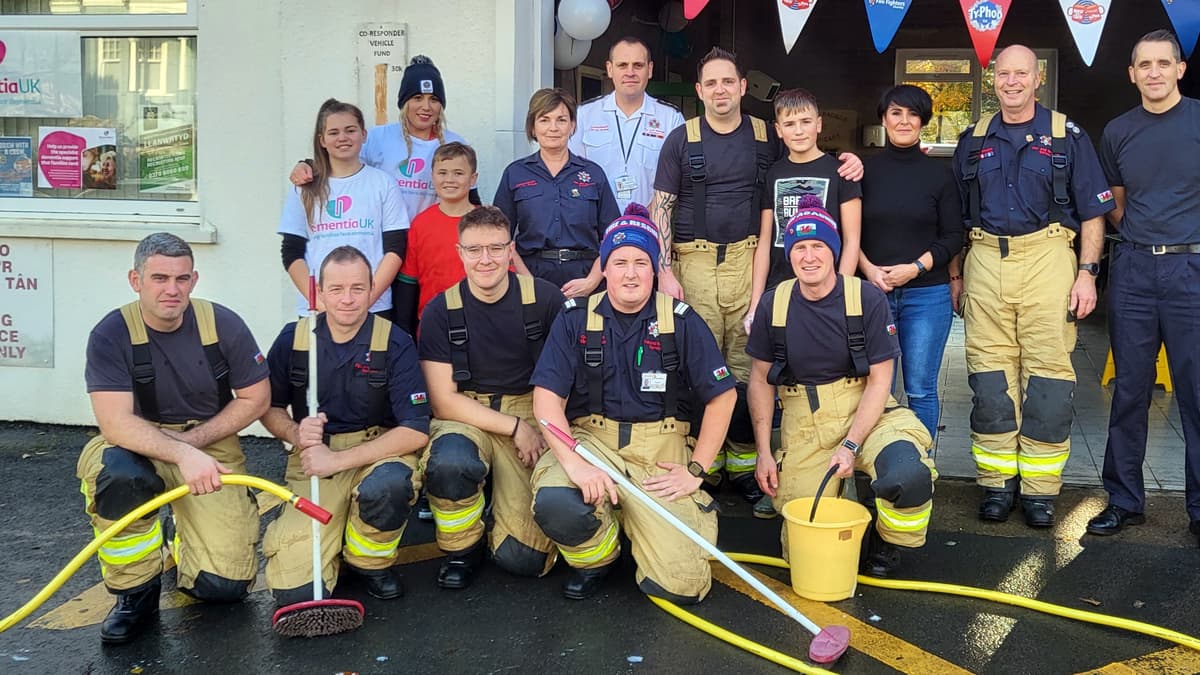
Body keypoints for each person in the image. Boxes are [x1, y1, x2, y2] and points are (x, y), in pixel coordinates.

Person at [650, 47, 862, 504]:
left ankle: (746, 463)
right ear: (699, 90)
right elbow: (662, 205)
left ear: (743, 87)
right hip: (694, 264)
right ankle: (704, 465)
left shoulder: (768, 134)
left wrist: (851, 161)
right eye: (711, 83)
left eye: (728, 81)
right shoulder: (681, 139)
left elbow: (810, 159)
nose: (720, 90)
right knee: (698, 365)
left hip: (750, 262)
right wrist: (663, 270)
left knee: (750, 369)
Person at [530, 206, 736, 603]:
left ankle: (657, 526)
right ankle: (598, 556)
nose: (630, 273)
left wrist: (696, 470)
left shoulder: (681, 320)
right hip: (592, 441)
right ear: (604, 269)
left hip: (659, 452)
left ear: (654, 270)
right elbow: (546, 399)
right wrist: (575, 463)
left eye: (641, 262)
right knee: (557, 501)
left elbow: (723, 395)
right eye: (619, 262)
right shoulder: (574, 318)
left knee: (683, 586)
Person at [78, 232, 270, 644]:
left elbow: (256, 398)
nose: (172, 289)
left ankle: (179, 537)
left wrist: (193, 444)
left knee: (224, 588)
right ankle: (136, 594)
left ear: (194, 280)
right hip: (137, 443)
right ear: (135, 280)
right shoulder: (111, 334)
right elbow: (115, 423)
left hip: (207, 441)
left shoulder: (222, 324)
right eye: (160, 278)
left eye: (182, 279)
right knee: (121, 478)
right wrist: (180, 453)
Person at [951, 45, 1113, 528]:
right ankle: (996, 485)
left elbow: (1094, 213)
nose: (1012, 82)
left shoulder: (1067, 136)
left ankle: (1040, 491)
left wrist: (1087, 272)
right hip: (984, 260)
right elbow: (955, 216)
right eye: (1004, 74)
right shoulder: (973, 139)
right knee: (989, 378)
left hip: (1049, 258)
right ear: (993, 79)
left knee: (1047, 381)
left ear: (1037, 78)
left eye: (1021, 73)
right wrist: (956, 274)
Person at [746, 205, 936, 578]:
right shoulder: (774, 303)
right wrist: (764, 452)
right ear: (790, 255)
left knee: (908, 476)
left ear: (833, 251)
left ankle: (885, 541)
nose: (809, 257)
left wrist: (850, 445)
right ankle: (854, 515)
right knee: (806, 552)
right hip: (806, 421)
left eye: (818, 246)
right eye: (800, 248)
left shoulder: (865, 298)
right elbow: (759, 381)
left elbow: (880, 380)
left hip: (868, 410)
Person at [260, 246, 430, 604]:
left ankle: (368, 562)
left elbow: (415, 430)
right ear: (319, 292)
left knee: (389, 486)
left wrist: (337, 461)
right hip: (315, 457)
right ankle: (328, 541)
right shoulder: (295, 339)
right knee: (295, 593)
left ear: (373, 291)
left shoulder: (395, 341)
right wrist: (295, 433)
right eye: (336, 289)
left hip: (377, 452)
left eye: (358, 288)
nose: (348, 299)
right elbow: (268, 408)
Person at [1088, 30, 1200, 545]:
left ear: (1180, 69)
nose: (1154, 72)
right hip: (1134, 268)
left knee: (1195, 393)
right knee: (1130, 390)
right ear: (1132, 74)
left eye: (1163, 63)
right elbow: (1114, 198)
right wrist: (1143, 233)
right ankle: (1124, 500)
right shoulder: (1118, 131)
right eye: (1144, 64)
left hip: (1191, 269)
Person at [418, 206, 566, 589]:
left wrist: (539, 428)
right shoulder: (440, 311)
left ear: (510, 250)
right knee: (450, 464)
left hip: (530, 408)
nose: (485, 259)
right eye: (474, 250)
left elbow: (566, 379)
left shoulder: (545, 300)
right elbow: (443, 401)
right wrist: (514, 427)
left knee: (525, 559)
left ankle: (501, 519)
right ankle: (462, 550)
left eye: (496, 248)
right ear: (460, 252)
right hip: (467, 413)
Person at [289, 56, 476, 332]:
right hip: (385, 255)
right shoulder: (379, 138)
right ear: (404, 102)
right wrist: (306, 165)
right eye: (417, 98)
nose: (426, 107)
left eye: (434, 99)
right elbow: (341, 163)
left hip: (427, 251)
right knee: (397, 329)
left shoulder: (455, 143)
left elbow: (471, 202)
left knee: (428, 325)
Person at [859, 85, 963, 438]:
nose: (904, 121)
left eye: (912, 114)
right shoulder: (863, 172)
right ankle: (879, 462)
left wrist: (915, 268)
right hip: (873, 293)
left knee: (920, 389)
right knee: (877, 389)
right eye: (896, 113)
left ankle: (922, 464)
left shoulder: (940, 175)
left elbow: (953, 236)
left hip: (926, 296)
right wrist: (868, 269)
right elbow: (845, 231)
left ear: (923, 121)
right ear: (883, 119)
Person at [278, 98, 408, 317]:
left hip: (374, 308)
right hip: (317, 310)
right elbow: (292, 252)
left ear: (363, 135)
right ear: (322, 140)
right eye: (333, 132)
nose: (342, 138)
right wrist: (319, 302)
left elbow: (395, 249)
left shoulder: (383, 184)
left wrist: (365, 299)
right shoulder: (304, 188)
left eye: (350, 130)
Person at [494, 87, 621, 297]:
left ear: (572, 126)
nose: (553, 128)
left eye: (561, 120)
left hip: (585, 278)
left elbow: (614, 235)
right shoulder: (515, 174)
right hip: (531, 277)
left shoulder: (593, 174)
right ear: (532, 127)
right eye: (544, 120)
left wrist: (592, 280)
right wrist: (527, 281)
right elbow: (499, 235)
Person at [753, 88, 862, 326]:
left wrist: (840, 294)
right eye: (789, 124)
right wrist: (756, 302)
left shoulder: (841, 172)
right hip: (780, 288)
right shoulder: (773, 174)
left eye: (806, 121)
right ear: (778, 130)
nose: (799, 130)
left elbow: (852, 240)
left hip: (827, 288)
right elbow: (765, 241)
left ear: (819, 124)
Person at [569, 36, 684, 212]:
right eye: (622, 65)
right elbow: (572, 173)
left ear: (650, 69)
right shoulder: (584, 114)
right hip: (596, 222)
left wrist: (646, 216)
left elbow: (678, 179)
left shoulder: (671, 118)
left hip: (651, 221)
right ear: (610, 69)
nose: (630, 72)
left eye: (638, 65)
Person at [397, 141, 478, 321]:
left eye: (458, 173)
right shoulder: (421, 224)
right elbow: (408, 282)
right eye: (442, 173)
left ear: (473, 179)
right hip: (433, 323)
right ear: (432, 176)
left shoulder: (485, 223)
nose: (449, 179)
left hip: (480, 320)